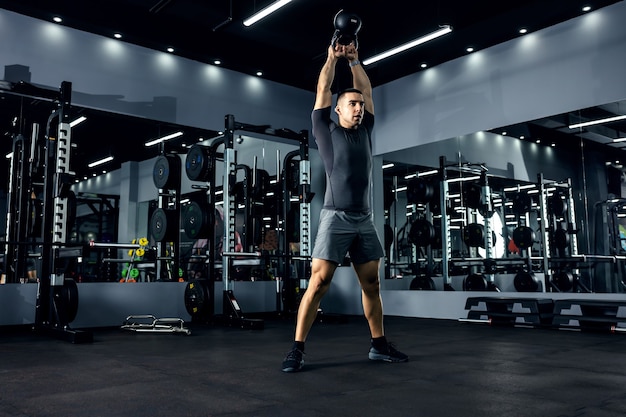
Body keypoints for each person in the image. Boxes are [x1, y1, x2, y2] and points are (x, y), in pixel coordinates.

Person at [281, 39, 408, 372]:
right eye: (351, 103)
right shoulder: (325, 130)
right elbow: (324, 86)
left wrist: (354, 60)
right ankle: (297, 348)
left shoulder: (366, 130)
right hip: (335, 217)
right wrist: (331, 59)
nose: (358, 107)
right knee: (319, 283)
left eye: (360, 105)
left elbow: (366, 88)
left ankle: (379, 346)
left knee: (372, 283)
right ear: (338, 109)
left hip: (363, 218)